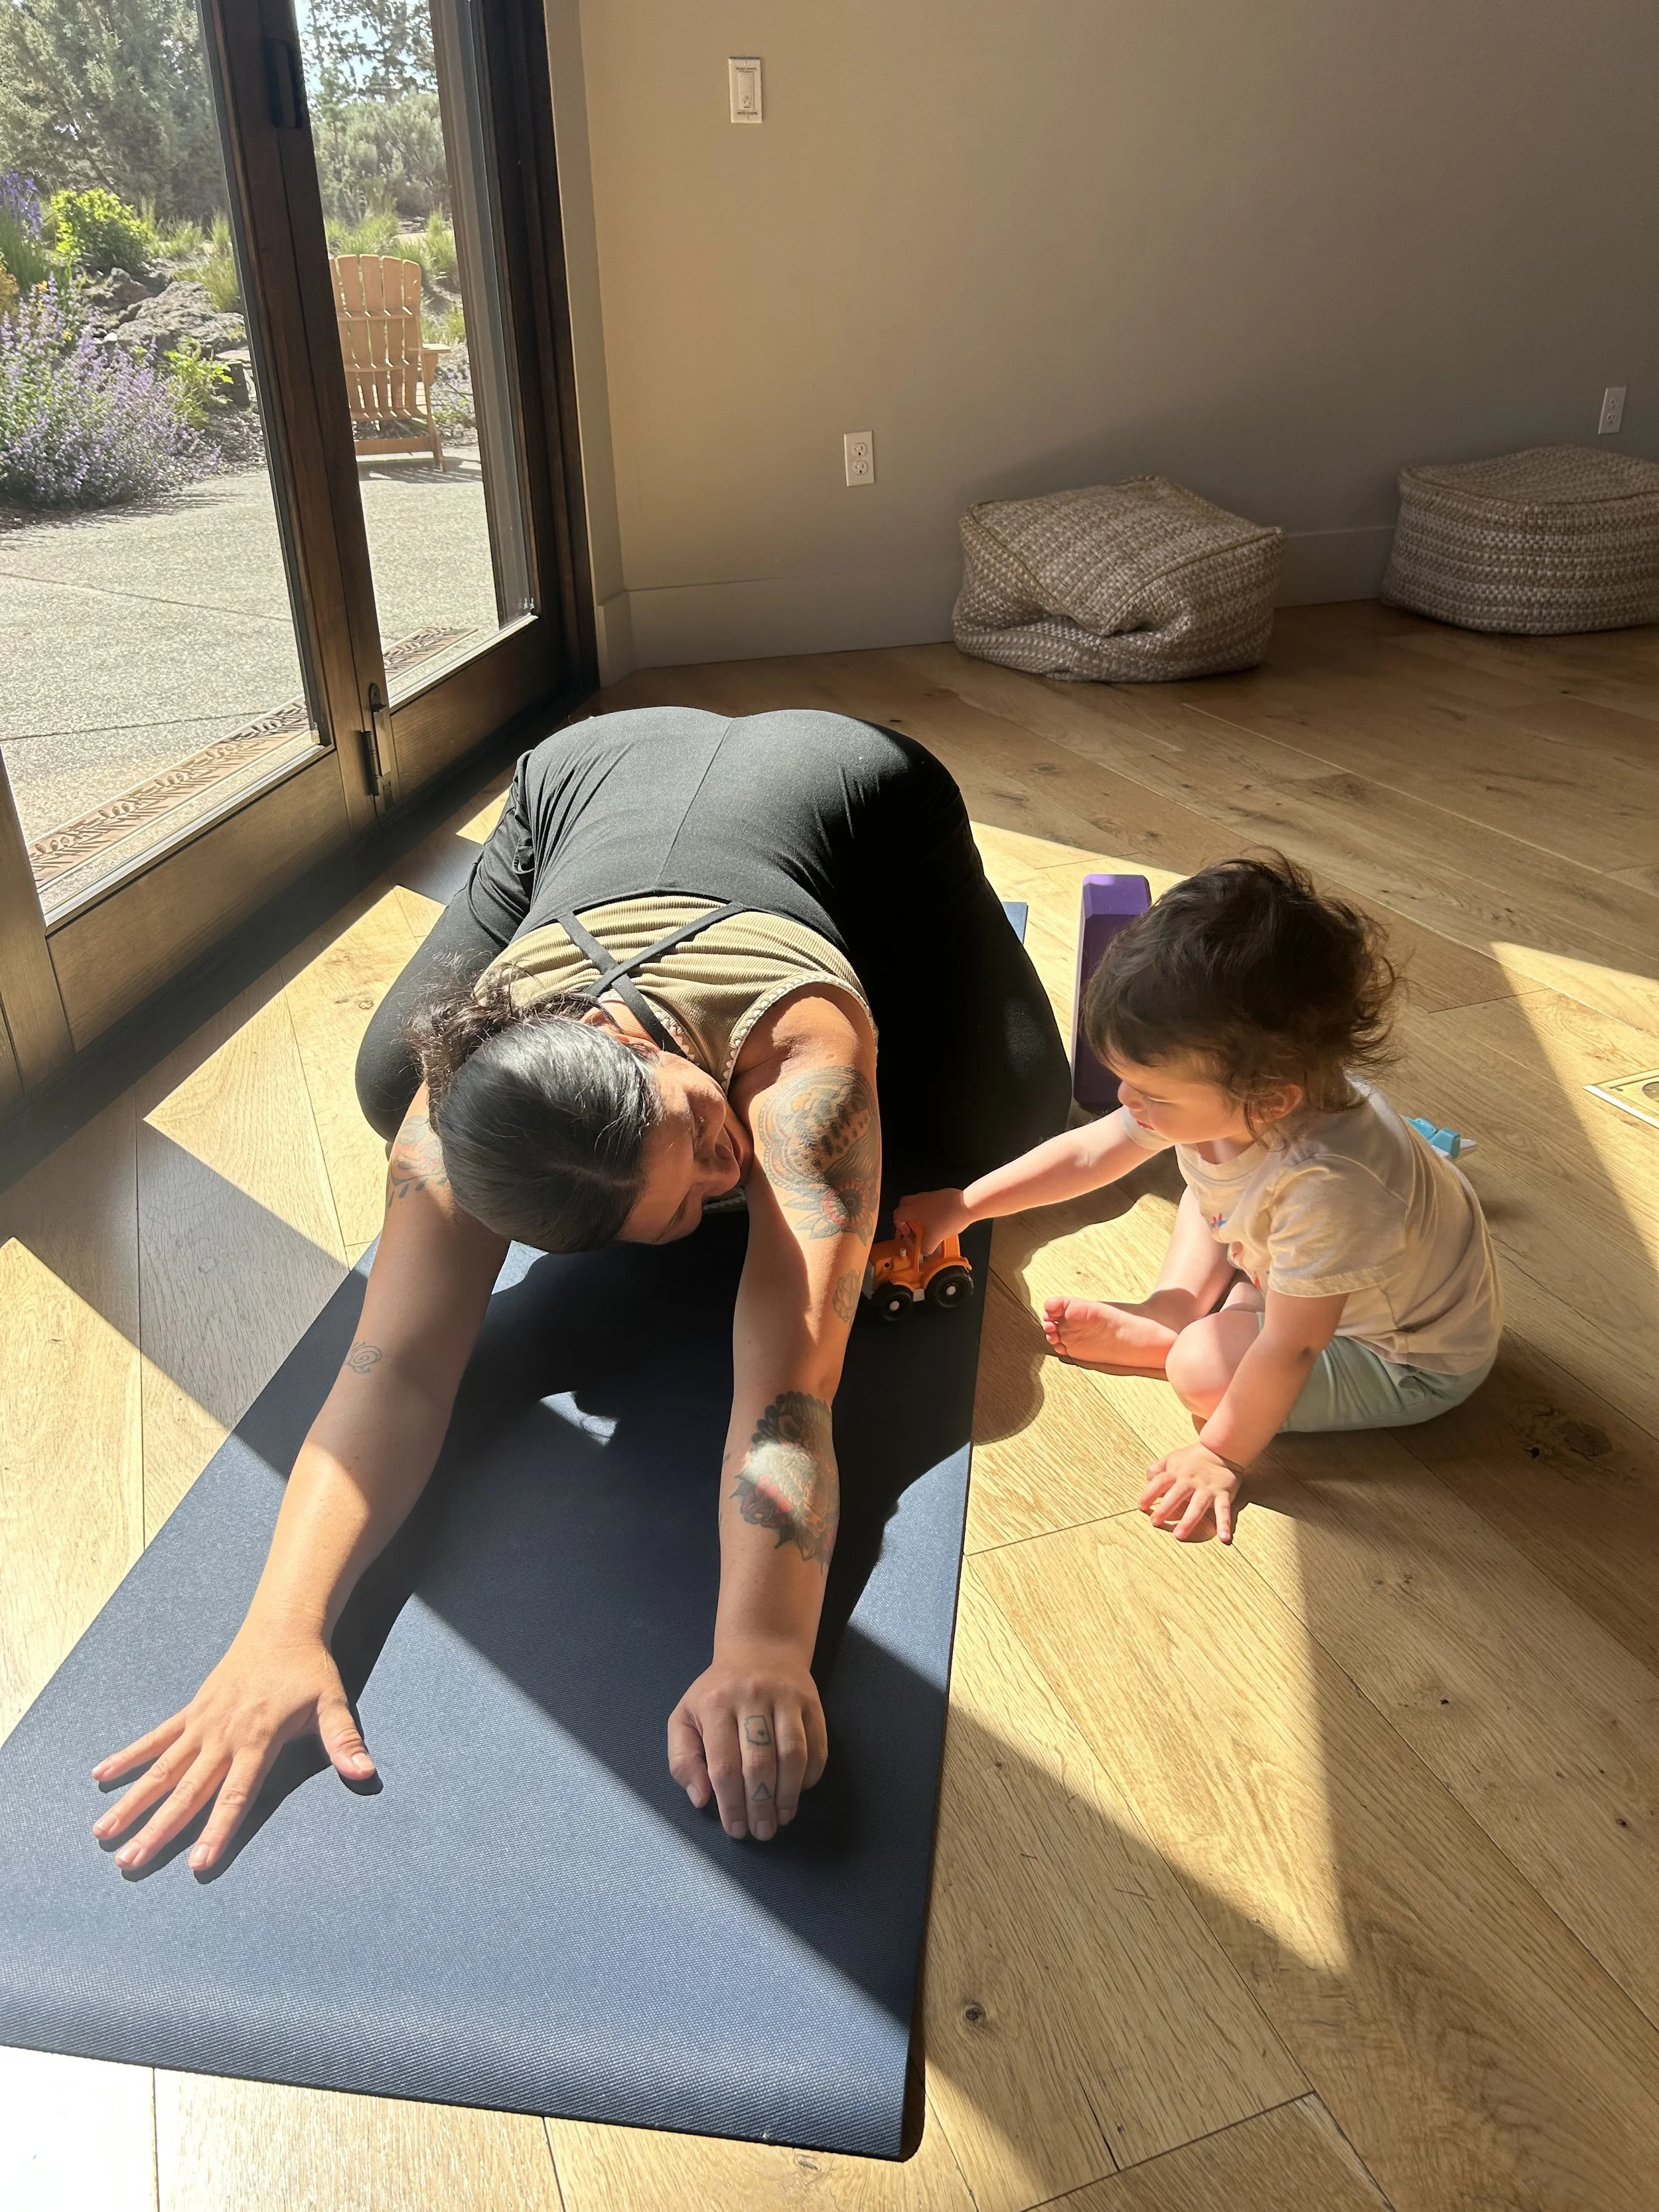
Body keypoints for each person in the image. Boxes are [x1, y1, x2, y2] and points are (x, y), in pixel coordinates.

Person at [92, 707, 1071, 1871]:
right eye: (687, 1201)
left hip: (860, 777)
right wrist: (281, 1624)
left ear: (649, 1051)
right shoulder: (446, 1126)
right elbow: (393, 1367)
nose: (729, 1170)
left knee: (1009, 1113)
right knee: (386, 1075)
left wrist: (761, 1640)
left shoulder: (805, 1072)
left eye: (702, 1127)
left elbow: (788, 1387)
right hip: (578, 775)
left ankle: (754, 1014)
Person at [899, 855, 1501, 1544]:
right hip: (1311, 1269)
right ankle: (1178, 1305)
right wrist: (968, 1205)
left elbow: (1294, 1347)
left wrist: (1218, 1454)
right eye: (1123, 1079)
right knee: (1210, 1180)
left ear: (1271, 1099)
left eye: (1151, 1095)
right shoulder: (1258, 1108)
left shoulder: (1331, 1188)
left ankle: (1180, 1336)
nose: (1128, 1102)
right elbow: (1093, 1151)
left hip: (1400, 1359)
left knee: (1199, 1366)